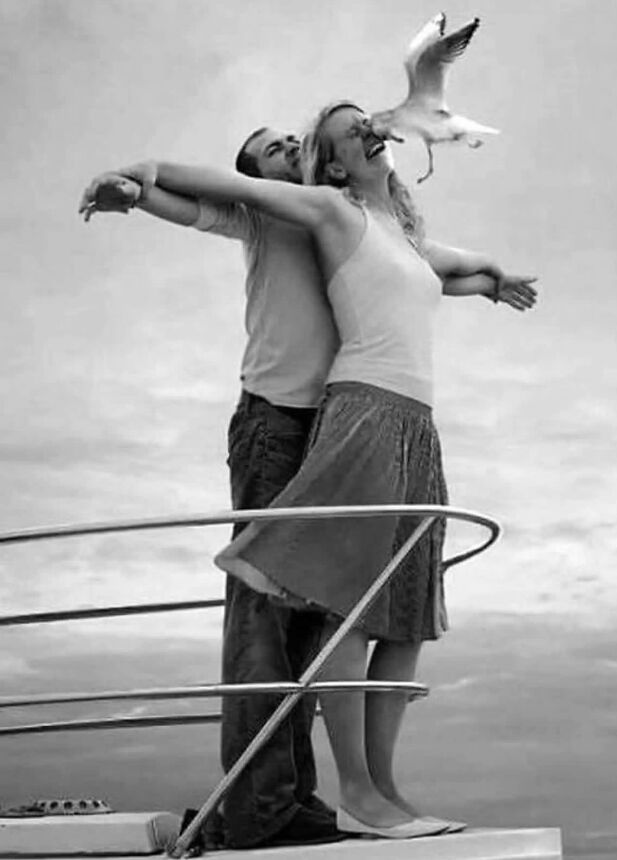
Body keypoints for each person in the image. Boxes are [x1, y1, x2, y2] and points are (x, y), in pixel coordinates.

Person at [79, 110, 536, 841]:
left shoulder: (368, 222)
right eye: (273, 148)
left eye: (292, 140)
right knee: (277, 615)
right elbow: (199, 195)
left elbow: (436, 260)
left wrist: (491, 278)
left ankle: (324, 797)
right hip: (278, 421)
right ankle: (270, 804)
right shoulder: (275, 215)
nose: (287, 147)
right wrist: (136, 183)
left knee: (343, 616)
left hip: (351, 419)